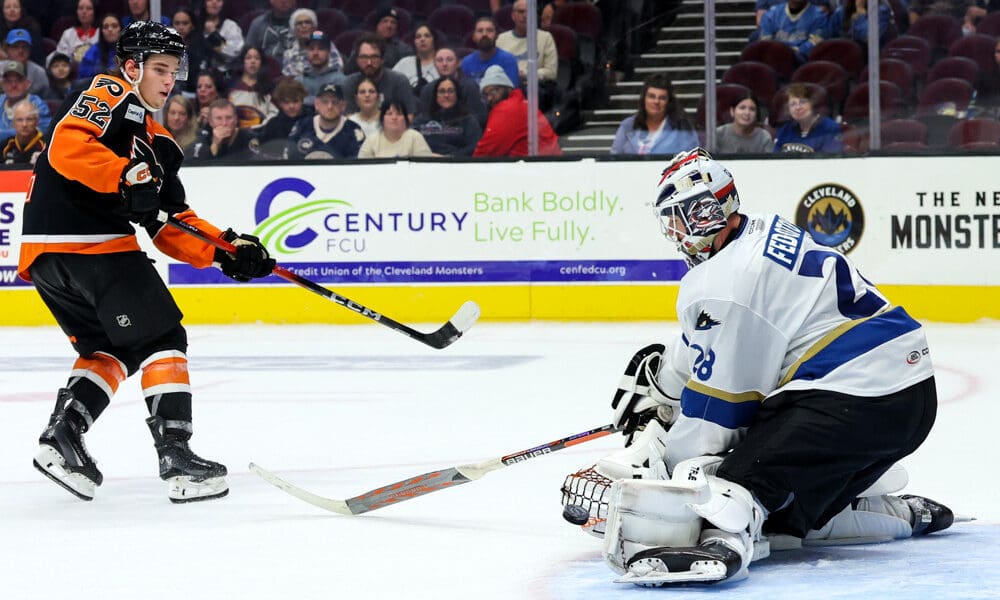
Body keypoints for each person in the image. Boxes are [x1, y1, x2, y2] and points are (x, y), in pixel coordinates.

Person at [581, 147, 952, 587]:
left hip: (855, 396)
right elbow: (713, 338)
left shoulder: (727, 281)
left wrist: (665, 455)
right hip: (907, 394)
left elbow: (722, 414)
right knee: (785, 517)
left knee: (732, 480)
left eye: (679, 219)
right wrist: (664, 386)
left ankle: (721, 547)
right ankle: (902, 514)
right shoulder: (760, 230)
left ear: (705, 213)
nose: (675, 233)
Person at [19, 21, 275, 504]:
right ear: (132, 67)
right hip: (90, 242)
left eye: (174, 71)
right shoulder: (111, 93)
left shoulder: (160, 144)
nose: (168, 80)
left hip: (50, 257)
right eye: (159, 68)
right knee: (162, 337)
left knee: (111, 348)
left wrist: (226, 251)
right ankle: (177, 457)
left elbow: (171, 223)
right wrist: (122, 176)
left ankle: (63, 437)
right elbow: (68, 145)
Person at [473, 64, 561, 157]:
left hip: (539, 163)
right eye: (486, 94)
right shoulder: (520, 104)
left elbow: (486, 151)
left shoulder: (507, 110)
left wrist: (469, 164)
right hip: (546, 161)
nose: (490, 98)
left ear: (508, 88)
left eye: (494, 90)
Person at [610, 73, 698, 156]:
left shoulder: (682, 127)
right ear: (644, 99)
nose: (656, 102)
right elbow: (614, 158)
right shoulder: (628, 126)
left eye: (662, 98)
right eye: (651, 96)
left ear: (669, 102)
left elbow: (693, 160)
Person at [285, 82, 365, 160]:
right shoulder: (302, 126)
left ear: (343, 106)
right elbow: (289, 157)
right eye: (325, 102)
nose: (330, 106)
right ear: (316, 104)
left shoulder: (353, 130)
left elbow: (358, 164)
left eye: (335, 102)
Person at [342, 34, 416, 117]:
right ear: (357, 60)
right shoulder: (350, 83)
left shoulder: (399, 81)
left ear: (382, 59)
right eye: (364, 57)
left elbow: (409, 116)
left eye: (374, 57)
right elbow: (349, 117)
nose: (369, 63)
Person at [496, 0, 558, 100]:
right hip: (507, 89)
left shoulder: (546, 38)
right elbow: (495, 69)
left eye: (529, 12)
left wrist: (526, 75)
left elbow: (551, 72)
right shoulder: (501, 39)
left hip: (535, 89)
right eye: (521, 12)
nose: (525, 16)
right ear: (513, 15)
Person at [413, 75, 482, 157]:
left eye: (451, 91)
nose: (446, 95)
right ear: (436, 95)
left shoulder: (468, 121)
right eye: (442, 91)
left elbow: (473, 147)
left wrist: (449, 158)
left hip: (456, 162)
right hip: (425, 161)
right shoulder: (421, 120)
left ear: (457, 94)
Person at [419, 47, 487, 127]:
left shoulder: (470, 87)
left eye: (449, 60)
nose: (444, 64)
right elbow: (423, 120)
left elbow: (480, 118)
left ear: (458, 63)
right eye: (440, 60)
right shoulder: (428, 89)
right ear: (434, 64)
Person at [773, 82, 842, 152]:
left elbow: (831, 157)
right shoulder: (785, 130)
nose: (798, 107)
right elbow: (775, 157)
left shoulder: (830, 128)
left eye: (803, 102)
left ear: (812, 104)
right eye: (793, 104)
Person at [345, 6, 413, 73]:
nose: (389, 26)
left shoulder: (404, 49)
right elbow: (349, 70)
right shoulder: (363, 44)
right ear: (377, 25)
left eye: (393, 22)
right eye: (385, 21)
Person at [358, 99, 433, 158]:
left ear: (405, 119)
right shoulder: (372, 139)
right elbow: (361, 167)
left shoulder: (415, 137)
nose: (394, 117)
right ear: (382, 119)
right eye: (389, 114)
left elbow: (425, 165)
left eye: (399, 114)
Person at [759, 0, 830, 61]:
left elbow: (815, 43)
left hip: (803, 62)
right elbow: (766, 43)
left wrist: (795, 52)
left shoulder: (819, 16)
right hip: (775, 59)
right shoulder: (771, 14)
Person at [188, 98, 257, 160]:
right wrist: (215, 143)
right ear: (210, 122)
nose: (224, 123)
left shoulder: (249, 138)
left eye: (229, 117)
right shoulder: (202, 137)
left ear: (236, 119)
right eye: (219, 118)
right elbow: (197, 164)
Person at [251, 77, 312, 145]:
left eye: (295, 101)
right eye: (286, 102)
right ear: (280, 103)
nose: (291, 106)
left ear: (302, 101)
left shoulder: (313, 121)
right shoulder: (273, 125)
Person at [282, 8, 342, 78]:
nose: (304, 26)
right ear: (294, 29)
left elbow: (337, 67)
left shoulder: (327, 45)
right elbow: (290, 78)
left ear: (314, 27)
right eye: (299, 23)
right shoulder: (289, 54)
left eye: (307, 22)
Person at [461, 16, 520, 87]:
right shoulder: (466, 62)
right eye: (480, 31)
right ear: (474, 37)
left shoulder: (508, 60)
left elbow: (512, 90)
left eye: (489, 30)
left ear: (496, 36)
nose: (484, 34)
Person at [227, 45, 277, 128]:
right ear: (242, 61)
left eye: (257, 58)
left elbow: (273, 114)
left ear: (261, 63)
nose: (253, 61)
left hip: (261, 132)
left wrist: (259, 128)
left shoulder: (269, 88)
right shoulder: (231, 86)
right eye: (248, 58)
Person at [0, 60, 50, 140]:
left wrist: (3, 134)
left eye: (19, 80)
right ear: (2, 84)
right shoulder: (1, 101)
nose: (13, 85)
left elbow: (43, 130)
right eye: (8, 81)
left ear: (27, 84)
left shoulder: (38, 104)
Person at [296, 30, 346, 103]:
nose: (315, 53)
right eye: (311, 49)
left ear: (329, 52)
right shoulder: (299, 81)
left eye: (321, 49)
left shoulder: (340, 80)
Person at [172, 8, 212, 95]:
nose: (181, 27)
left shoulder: (202, 47)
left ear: (192, 25)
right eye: (177, 23)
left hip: (194, 93)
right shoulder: (165, 47)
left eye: (185, 23)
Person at [392, 24, 438, 94]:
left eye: (427, 36)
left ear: (434, 40)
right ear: (414, 42)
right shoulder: (404, 63)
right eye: (418, 37)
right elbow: (390, 84)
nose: (422, 39)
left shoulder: (442, 63)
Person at [828, 0, 896, 47]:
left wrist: (860, 15)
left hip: (872, 59)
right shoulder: (842, 11)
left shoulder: (882, 11)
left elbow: (867, 37)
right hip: (847, 56)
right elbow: (829, 35)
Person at [200, 0, 244, 68]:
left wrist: (214, 35)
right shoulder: (193, 25)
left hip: (222, 70)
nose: (214, 2)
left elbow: (235, 51)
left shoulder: (230, 26)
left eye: (219, 0)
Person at [4, 29, 48, 97]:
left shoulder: (39, 72)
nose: (20, 50)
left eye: (24, 46)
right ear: (7, 49)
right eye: (15, 46)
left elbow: (47, 98)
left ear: (30, 49)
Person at [78, 14, 122, 80]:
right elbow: (83, 75)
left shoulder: (128, 49)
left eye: (114, 26)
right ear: (101, 31)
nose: (110, 29)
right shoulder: (94, 50)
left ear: (121, 29)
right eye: (105, 27)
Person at [0, 98, 44, 164]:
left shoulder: (47, 145)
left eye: (29, 119)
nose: (24, 124)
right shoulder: (4, 146)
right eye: (19, 120)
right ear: (13, 123)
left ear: (37, 121)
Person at [56, 0, 99, 65]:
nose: (84, 12)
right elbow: (61, 58)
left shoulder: (101, 33)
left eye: (89, 8)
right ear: (76, 12)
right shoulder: (68, 33)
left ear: (95, 12)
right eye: (80, 8)